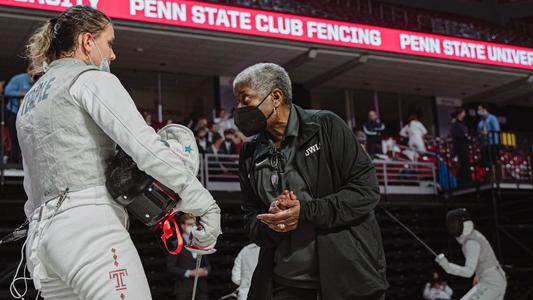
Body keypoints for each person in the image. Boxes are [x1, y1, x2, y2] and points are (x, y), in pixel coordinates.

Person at [18, 6, 221, 299]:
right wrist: (205, 205)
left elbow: (30, 186)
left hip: (42, 243)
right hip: (89, 230)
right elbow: (146, 149)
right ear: (87, 41)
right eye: (109, 42)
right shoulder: (90, 79)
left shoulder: (30, 100)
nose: (112, 54)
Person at [234, 63, 387, 300]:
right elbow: (250, 220)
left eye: (245, 100)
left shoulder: (326, 125)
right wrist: (272, 222)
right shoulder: (249, 151)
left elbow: (366, 191)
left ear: (275, 96)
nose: (239, 109)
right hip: (284, 285)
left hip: (348, 281)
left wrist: (305, 211)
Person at [436, 209, 506, 300]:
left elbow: (468, 272)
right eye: (450, 224)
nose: (452, 226)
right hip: (494, 280)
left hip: (491, 283)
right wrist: (479, 275)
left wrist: (446, 265)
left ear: (464, 223)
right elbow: (484, 259)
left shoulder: (471, 242)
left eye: (455, 223)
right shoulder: (473, 236)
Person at [167, 213, 210, 300]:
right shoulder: (176, 244)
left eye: (194, 225)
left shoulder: (200, 243)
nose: (193, 227)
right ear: (182, 225)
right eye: (190, 224)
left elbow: (208, 265)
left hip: (201, 290)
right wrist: (189, 273)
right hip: (184, 290)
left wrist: (205, 271)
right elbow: (170, 268)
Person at [4, 64, 35, 163]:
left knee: (28, 138)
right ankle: (14, 161)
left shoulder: (40, 80)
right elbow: (7, 91)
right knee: (15, 137)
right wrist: (21, 94)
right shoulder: (18, 79)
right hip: (14, 112)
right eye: (31, 70)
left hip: (29, 114)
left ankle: (25, 162)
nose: (33, 73)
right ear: (28, 71)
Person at [450, 108, 472, 187]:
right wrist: (464, 136)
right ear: (459, 114)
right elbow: (456, 135)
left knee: (466, 162)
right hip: (460, 146)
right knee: (463, 163)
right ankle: (464, 181)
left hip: (465, 145)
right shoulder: (455, 124)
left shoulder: (463, 123)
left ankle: (468, 180)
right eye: (463, 112)